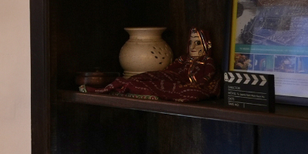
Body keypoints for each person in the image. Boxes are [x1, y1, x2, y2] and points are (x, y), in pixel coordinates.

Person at [87, 26, 221, 103]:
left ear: (206, 45)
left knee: (169, 88)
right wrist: (164, 75)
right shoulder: (183, 59)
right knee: (147, 77)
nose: (192, 46)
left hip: (183, 85)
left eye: (197, 43)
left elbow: (206, 79)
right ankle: (126, 83)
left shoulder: (207, 62)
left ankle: (130, 86)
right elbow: (169, 70)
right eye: (190, 42)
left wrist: (191, 83)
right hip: (174, 78)